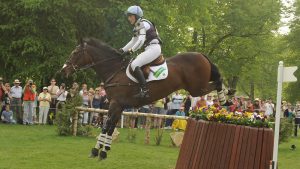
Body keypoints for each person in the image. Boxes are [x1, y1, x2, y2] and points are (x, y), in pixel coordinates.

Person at [120, 5, 162, 98]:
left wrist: (131, 51)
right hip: (150, 48)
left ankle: (145, 90)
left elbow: (141, 40)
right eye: (128, 16)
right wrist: (122, 50)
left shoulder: (142, 24)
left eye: (131, 16)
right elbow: (133, 41)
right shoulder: (138, 25)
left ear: (137, 16)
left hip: (154, 48)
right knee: (134, 63)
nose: (129, 18)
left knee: (134, 64)